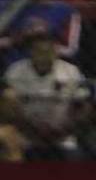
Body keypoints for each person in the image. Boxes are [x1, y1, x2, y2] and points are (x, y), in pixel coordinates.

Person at [1, 20, 89, 159]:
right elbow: (7, 108)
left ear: (55, 50)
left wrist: (64, 129)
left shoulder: (71, 71)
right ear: (30, 50)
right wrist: (30, 130)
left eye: (48, 49)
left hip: (62, 136)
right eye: (38, 49)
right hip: (24, 135)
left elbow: (83, 107)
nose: (44, 53)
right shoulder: (15, 71)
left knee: (75, 157)